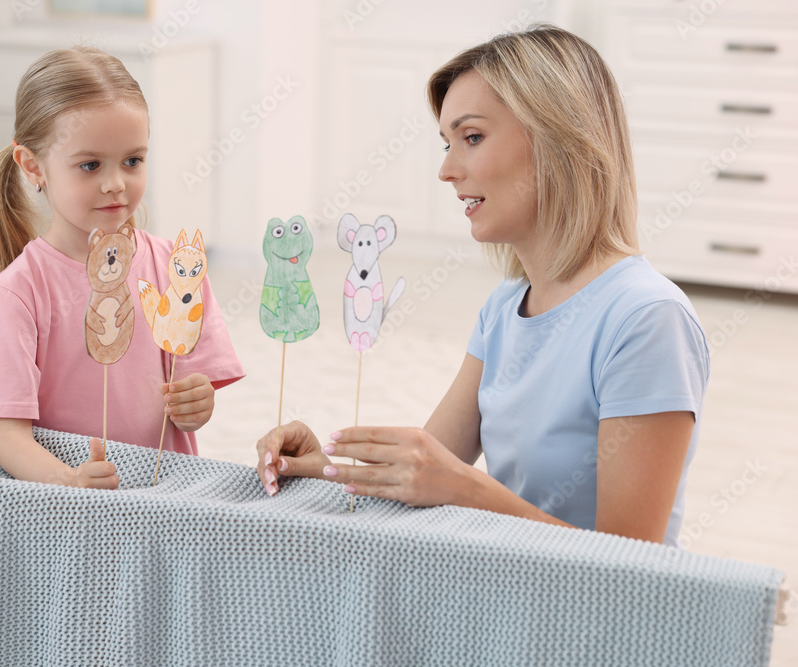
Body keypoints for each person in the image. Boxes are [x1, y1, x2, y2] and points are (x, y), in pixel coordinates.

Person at [257, 25, 709, 547]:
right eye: (447, 144)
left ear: (558, 139)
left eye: (471, 138)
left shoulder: (648, 320)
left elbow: (631, 563)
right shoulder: (504, 308)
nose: (447, 170)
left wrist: (467, 489)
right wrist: (321, 468)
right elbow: (426, 472)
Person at [0, 47, 244, 489]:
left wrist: (197, 403)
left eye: (133, 161)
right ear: (33, 167)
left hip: (164, 497)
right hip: (76, 507)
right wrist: (69, 480)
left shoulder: (178, 269)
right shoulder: (15, 295)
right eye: (90, 165)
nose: (115, 183)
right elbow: (9, 439)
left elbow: (194, 390)